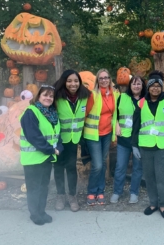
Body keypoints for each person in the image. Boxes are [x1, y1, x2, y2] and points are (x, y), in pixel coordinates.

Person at [131, 70, 164, 219]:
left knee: (162, 177)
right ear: (149, 87)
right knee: (150, 177)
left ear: (161, 87)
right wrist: (134, 145)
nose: (155, 88)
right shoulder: (141, 103)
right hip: (145, 146)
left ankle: (162, 204)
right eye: (152, 85)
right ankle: (153, 203)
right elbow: (136, 125)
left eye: (158, 86)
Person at [20, 85, 63, 225]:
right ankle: (35, 214)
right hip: (33, 159)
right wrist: (51, 150)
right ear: (38, 96)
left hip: (46, 157)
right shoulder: (31, 112)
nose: (48, 98)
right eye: (45, 95)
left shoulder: (52, 114)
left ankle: (41, 211)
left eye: (51, 96)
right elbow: (34, 136)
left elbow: (56, 135)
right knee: (34, 188)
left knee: (44, 186)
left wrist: (59, 147)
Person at [53, 69, 91, 212]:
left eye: (76, 81)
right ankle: (60, 195)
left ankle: (72, 196)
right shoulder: (57, 97)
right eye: (69, 81)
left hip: (73, 139)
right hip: (58, 139)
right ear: (64, 82)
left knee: (71, 167)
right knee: (58, 167)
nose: (73, 84)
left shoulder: (84, 96)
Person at [83, 68, 120, 205]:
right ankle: (91, 191)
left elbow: (116, 113)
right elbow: (85, 113)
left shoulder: (115, 95)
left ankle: (100, 191)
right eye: (101, 78)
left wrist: (115, 131)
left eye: (106, 77)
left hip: (107, 134)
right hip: (93, 134)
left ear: (110, 79)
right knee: (97, 165)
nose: (104, 80)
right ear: (97, 80)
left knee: (103, 163)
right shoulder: (92, 95)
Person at [110, 76, 146, 204]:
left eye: (139, 84)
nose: (136, 86)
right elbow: (116, 114)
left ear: (143, 86)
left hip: (140, 139)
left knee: (137, 168)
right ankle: (117, 192)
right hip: (124, 138)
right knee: (120, 167)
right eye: (134, 84)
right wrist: (116, 124)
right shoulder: (122, 97)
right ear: (130, 86)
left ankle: (134, 193)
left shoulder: (146, 99)